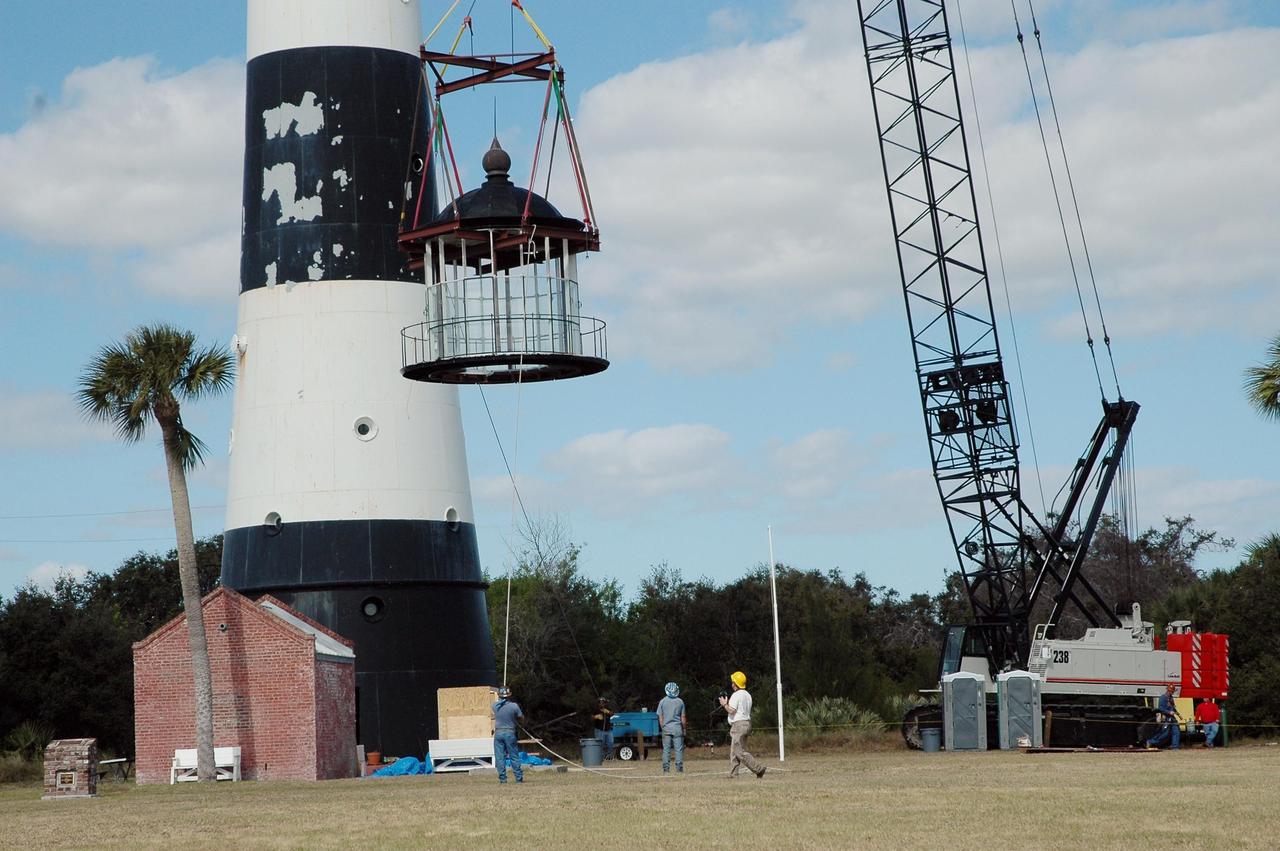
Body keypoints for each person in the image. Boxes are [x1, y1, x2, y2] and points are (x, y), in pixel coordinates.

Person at [718, 670, 766, 779]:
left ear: (736, 684)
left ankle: (759, 769)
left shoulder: (736, 695)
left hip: (739, 725)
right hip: (747, 723)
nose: (732, 684)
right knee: (734, 751)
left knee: (739, 752)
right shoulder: (748, 695)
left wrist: (724, 704)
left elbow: (731, 711)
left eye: (733, 682)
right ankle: (733, 774)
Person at [492, 686, 524, 783]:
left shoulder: (495, 706)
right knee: (513, 755)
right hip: (510, 732)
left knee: (500, 757)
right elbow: (521, 717)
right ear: (509, 695)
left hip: (498, 732)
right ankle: (518, 778)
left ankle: (503, 779)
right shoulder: (514, 706)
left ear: (499, 695)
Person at [657, 682, 687, 774]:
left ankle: (666, 770)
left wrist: (663, 727)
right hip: (677, 728)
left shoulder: (662, 701)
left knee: (666, 750)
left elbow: (660, 717)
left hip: (666, 728)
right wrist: (684, 729)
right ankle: (679, 769)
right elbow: (683, 718)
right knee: (678, 750)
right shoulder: (680, 702)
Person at [1144, 682, 1182, 750]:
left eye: (1172, 691)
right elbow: (1161, 708)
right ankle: (1150, 741)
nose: (1172, 692)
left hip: (1172, 718)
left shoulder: (1171, 698)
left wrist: (1177, 713)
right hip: (1166, 718)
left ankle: (1175, 747)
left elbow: (1172, 707)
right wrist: (1169, 712)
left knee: (1176, 732)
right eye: (1171, 691)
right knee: (1165, 733)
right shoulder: (1162, 698)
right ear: (1168, 690)